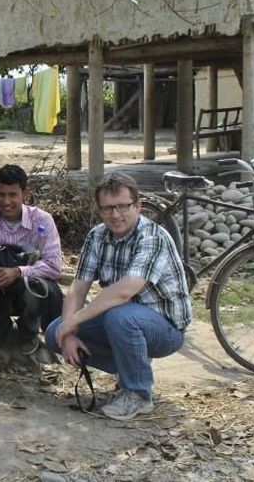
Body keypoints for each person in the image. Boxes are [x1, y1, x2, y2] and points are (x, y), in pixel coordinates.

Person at [45, 171, 191, 421]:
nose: (115, 215)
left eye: (122, 207)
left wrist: (74, 321)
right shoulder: (97, 236)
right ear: (99, 210)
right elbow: (78, 289)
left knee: (120, 316)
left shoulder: (152, 237)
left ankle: (138, 393)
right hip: (122, 318)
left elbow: (124, 291)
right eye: (107, 208)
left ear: (138, 206)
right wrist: (68, 331)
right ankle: (128, 367)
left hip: (164, 327)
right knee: (53, 333)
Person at [0, 164, 63, 353]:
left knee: (38, 287)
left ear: (25, 193)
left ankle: (28, 333)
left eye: (12, 195)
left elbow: (54, 265)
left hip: (24, 285)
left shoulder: (42, 220)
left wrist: (17, 272)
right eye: (1, 195)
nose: (6, 201)